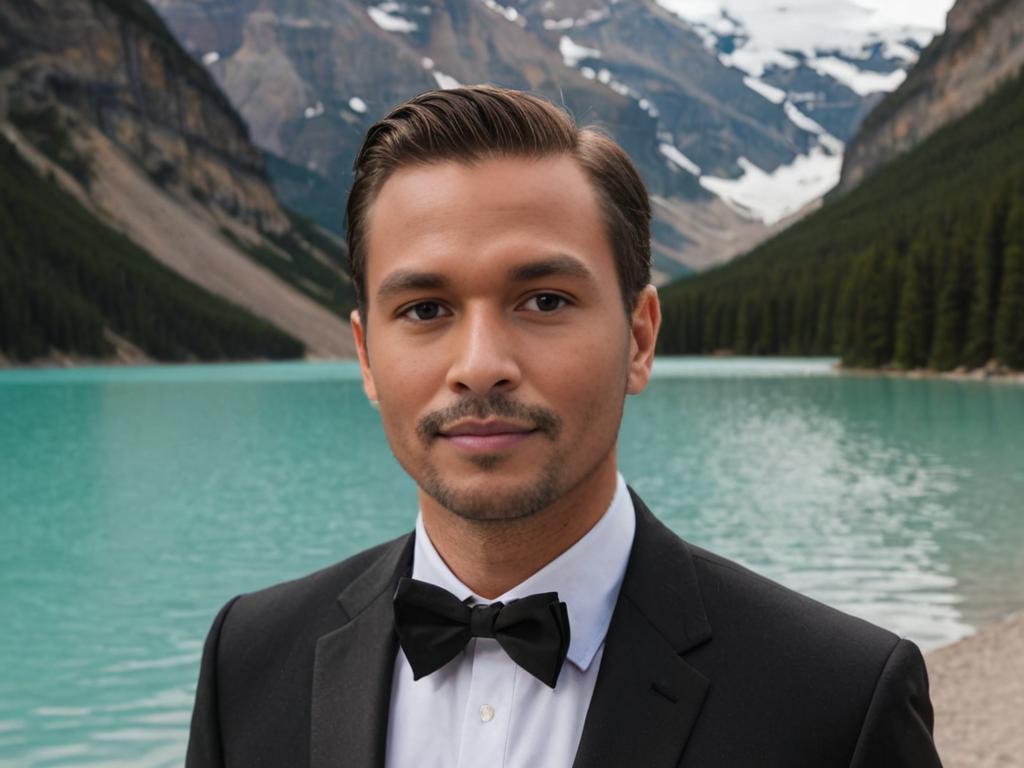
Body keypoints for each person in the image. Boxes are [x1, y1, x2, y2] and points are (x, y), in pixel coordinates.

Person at [186, 85, 942, 767]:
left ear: (639, 339)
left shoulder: (838, 701)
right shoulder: (247, 661)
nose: (480, 366)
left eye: (544, 300)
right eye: (425, 310)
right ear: (366, 357)